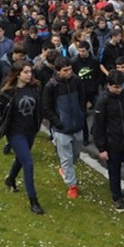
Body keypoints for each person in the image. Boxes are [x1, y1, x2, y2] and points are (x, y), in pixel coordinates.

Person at [0, 61, 45, 214]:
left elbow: (39, 107)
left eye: (30, 72)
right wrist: (3, 126)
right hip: (15, 132)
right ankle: (33, 201)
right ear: (18, 74)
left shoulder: (35, 88)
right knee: (28, 163)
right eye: (26, 72)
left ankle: (10, 179)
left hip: (30, 131)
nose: (30, 75)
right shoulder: (8, 92)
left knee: (21, 158)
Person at [93, 69, 124, 211]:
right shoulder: (103, 101)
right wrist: (101, 148)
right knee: (114, 173)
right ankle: (117, 197)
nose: (118, 89)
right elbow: (98, 126)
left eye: (120, 86)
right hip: (111, 143)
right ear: (109, 85)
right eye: (115, 87)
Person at [42, 56, 87, 200]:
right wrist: (57, 123)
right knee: (66, 157)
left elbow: (82, 98)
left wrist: (82, 113)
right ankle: (72, 185)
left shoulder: (76, 81)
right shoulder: (51, 86)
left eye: (70, 69)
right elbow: (47, 107)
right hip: (62, 129)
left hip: (77, 125)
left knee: (76, 153)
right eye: (65, 70)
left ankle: (65, 170)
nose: (69, 73)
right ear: (57, 71)